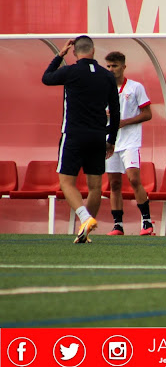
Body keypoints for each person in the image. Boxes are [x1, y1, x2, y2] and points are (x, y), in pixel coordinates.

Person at [42, 36, 120, 244]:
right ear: (94, 51)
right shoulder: (107, 76)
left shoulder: (70, 71)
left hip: (74, 134)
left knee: (66, 182)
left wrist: (60, 55)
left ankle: (85, 219)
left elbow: (47, 77)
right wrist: (111, 139)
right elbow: (115, 110)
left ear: (75, 52)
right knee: (95, 186)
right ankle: (85, 231)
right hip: (97, 136)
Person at [103, 52, 154, 236]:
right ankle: (118, 225)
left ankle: (147, 222)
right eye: (108, 66)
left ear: (124, 67)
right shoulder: (102, 89)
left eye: (114, 66)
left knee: (134, 179)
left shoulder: (135, 87)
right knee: (114, 184)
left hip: (130, 141)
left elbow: (147, 114)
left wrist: (124, 121)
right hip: (110, 142)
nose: (111, 69)